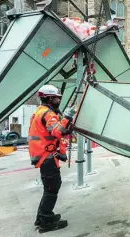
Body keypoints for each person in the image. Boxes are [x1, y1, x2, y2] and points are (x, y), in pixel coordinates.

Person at [28, 84, 76, 233]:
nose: (58, 100)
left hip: (43, 156)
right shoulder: (48, 114)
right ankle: (46, 221)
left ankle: (41, 217)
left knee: (49, 188)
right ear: (48, 98)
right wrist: (67, 117)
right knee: (52, 188)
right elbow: (58, 132)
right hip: (46, 157)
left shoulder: (39, 111)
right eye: (56, 98)